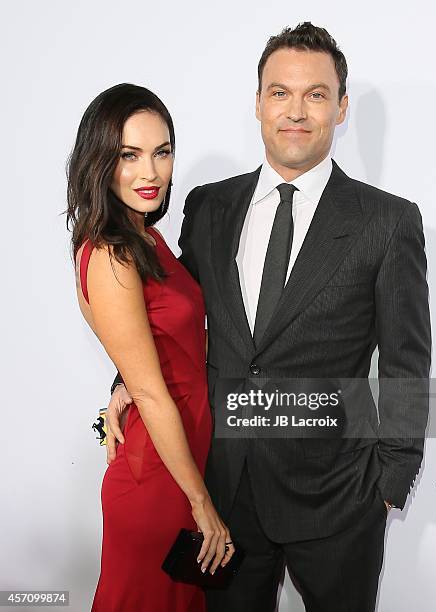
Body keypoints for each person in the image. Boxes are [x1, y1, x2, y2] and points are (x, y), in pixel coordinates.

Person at [109, 22, 431, 612]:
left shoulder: (388, 223)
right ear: (258, 103)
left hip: (339, 501)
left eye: (316, 94)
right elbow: (174, 317)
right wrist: (124, 381)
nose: (297, 111)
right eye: (280, 92)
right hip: (224, 494)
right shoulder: (209, 206)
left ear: (341, 108)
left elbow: (408, 364)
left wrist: (389, 485)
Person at [67, 83, 235, 612]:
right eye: (129, 155)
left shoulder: (147, 238)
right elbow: (153, 391)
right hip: (159, 483)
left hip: (179, 463)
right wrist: (201, 502)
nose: (151, 172)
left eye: (162, 152)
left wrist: (121, 383)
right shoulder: (111, 254)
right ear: (100, 161)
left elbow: (154, 347)